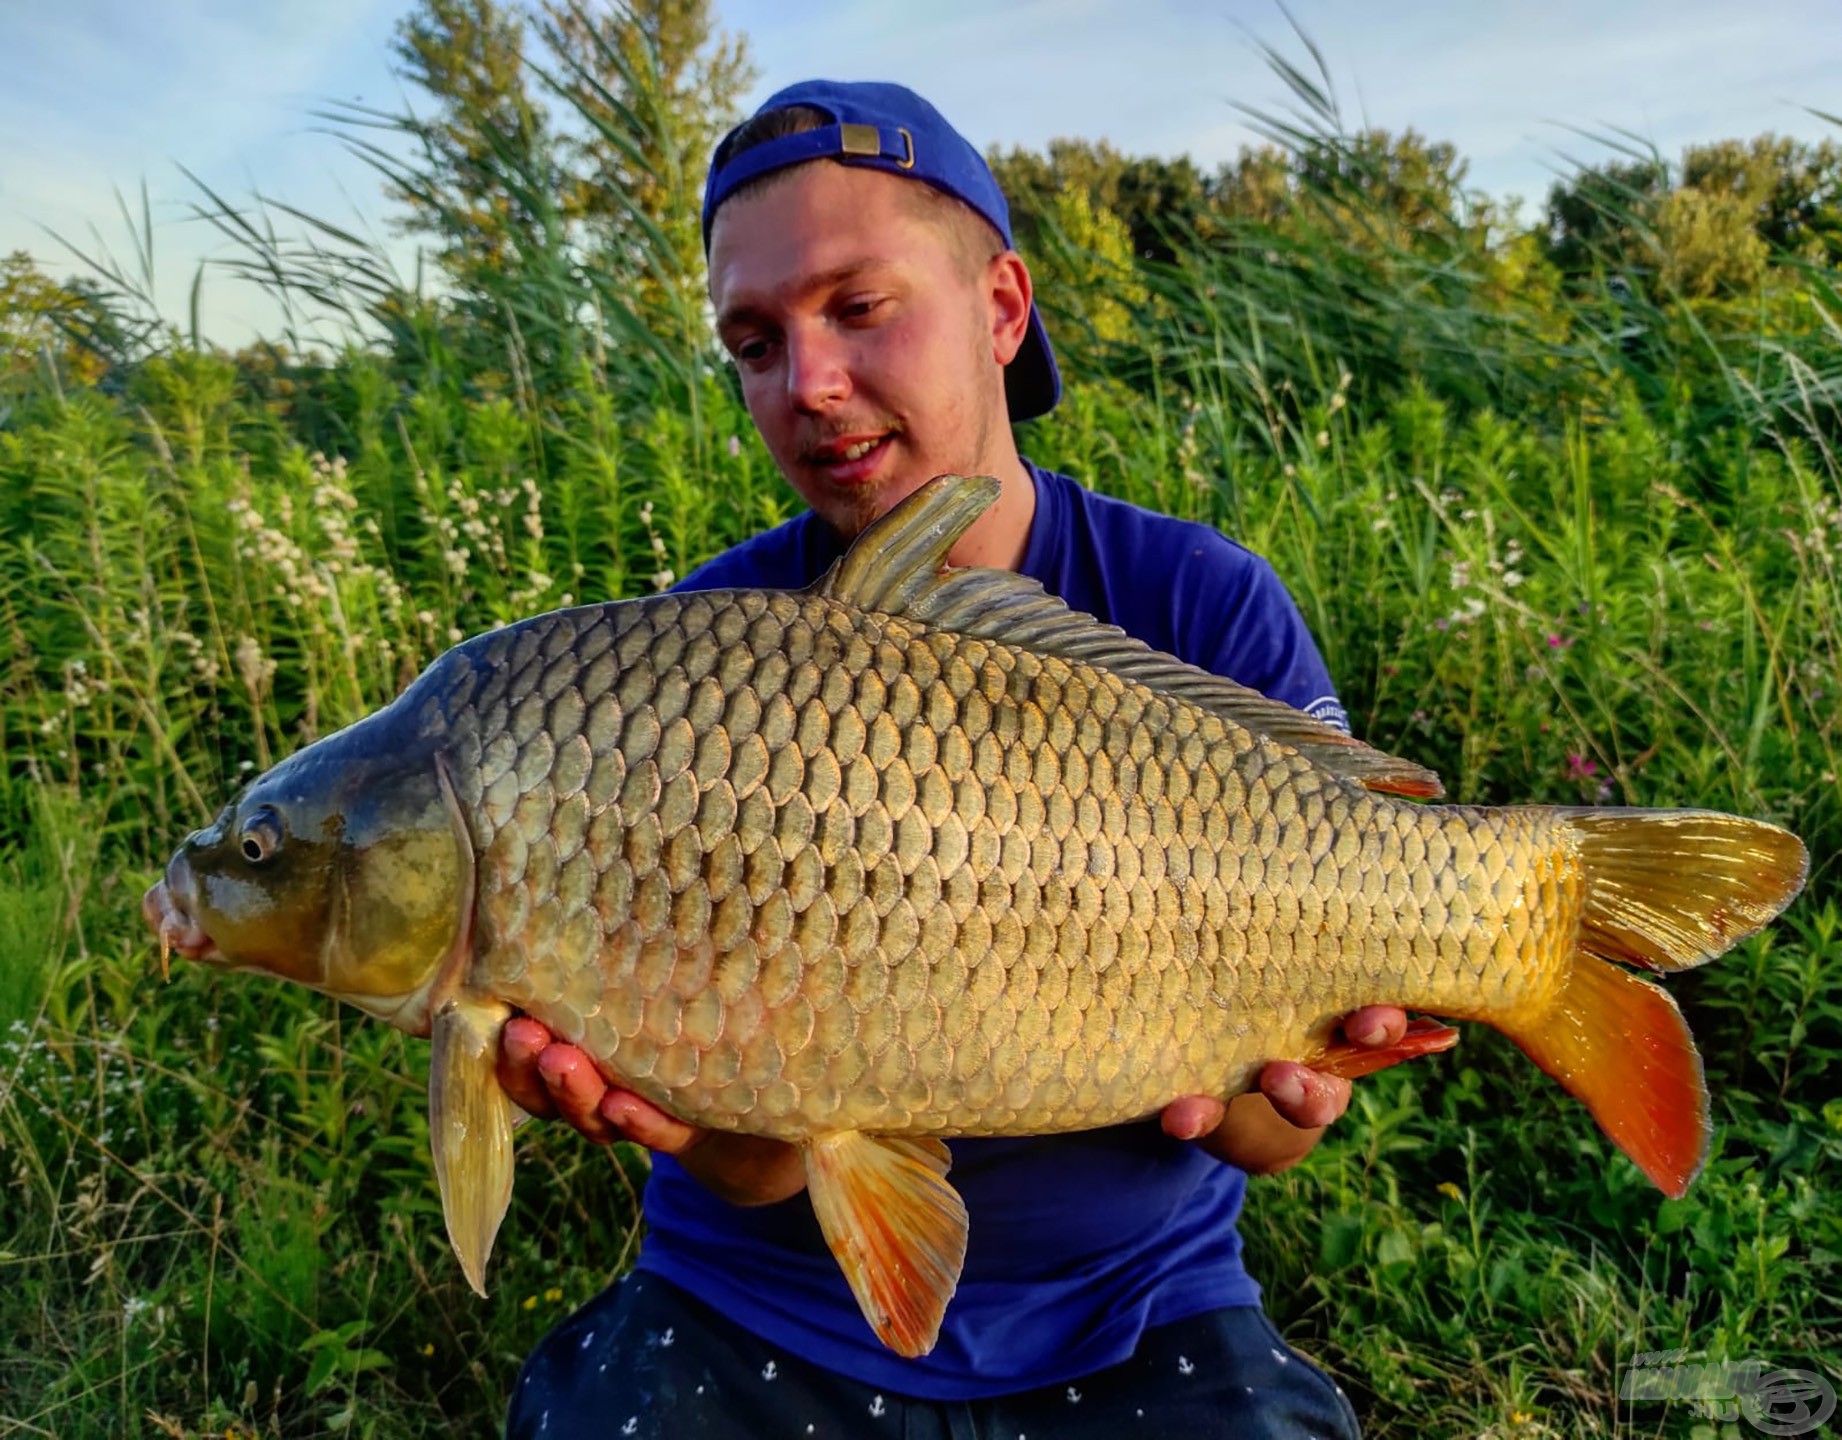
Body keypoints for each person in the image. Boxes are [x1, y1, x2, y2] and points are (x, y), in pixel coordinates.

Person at [500, 81, 1406, 1440]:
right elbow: (747, 1173)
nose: (805, 385)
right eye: (753, 342)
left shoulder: (1200, 601)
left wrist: (1259, 1092)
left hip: (1135, 1301)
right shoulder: (691, 665)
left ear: (999, 307)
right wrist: (686, 1112)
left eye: (858, 308)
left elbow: (1276, 1135)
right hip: (760, 1297)